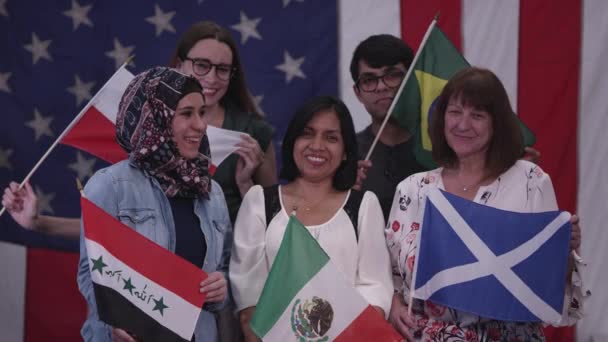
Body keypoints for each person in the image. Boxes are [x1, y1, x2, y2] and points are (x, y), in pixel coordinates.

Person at [2, 21, 276, 236]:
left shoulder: (251, 134)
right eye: (201, 65)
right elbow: (117, 223)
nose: (212, 78)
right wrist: (39, 224)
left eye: (223, 69)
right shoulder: (143, 129)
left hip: (219, 282)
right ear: (179, 65)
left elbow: (273, 227)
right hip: (143, 279)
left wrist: (246, 187)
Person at [385, 67, 585, 341]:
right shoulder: (413, 189)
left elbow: (547, 285)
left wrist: (564, 248)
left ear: (497, 124)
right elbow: (390, 275)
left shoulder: (530, 181)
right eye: (455, 112)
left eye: (477, 115)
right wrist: (391, 302)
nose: (463, 124)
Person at [77, 67, 231, 342]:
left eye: (202, 112)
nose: (201, 125)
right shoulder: (109, 186)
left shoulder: (212, 192)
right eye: (186, 114)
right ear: (153, 119)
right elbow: (90, 272)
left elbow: (225, 267)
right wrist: (111, 324)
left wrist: (222, 286)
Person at [229, 96, 393, 341]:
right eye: (307, 133)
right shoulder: (259, 202)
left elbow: (375, 289)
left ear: (346, 151)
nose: (317, 146)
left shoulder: (364, 206)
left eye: (331, 137)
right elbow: (248, 299)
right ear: (293, 141)